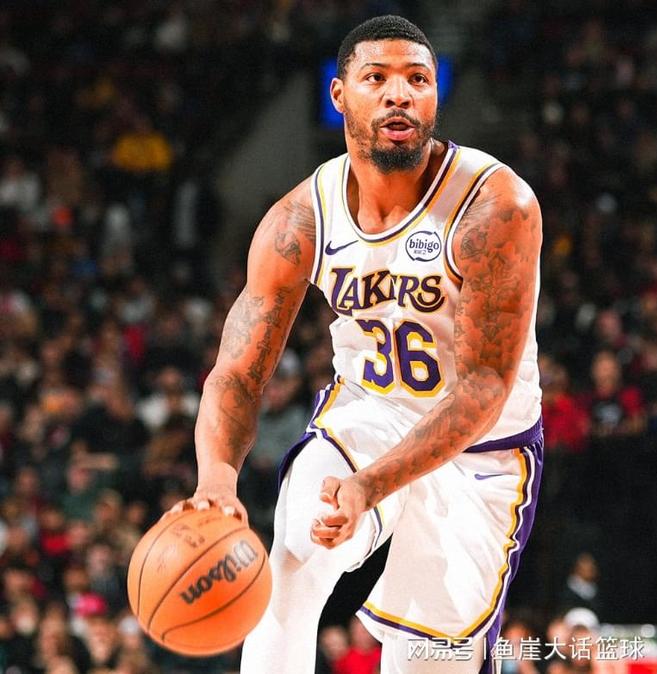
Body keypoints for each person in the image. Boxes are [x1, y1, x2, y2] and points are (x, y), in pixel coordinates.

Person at [171, 15, 543, 674]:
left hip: (480, 447)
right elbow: (236, 374)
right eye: (377, 78)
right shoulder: (301, 218)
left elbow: (484, 387)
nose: (400, 93)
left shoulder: (496, 205)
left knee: (423, 661)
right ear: (339, 94)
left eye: (418, 79)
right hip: (371, 411)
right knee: (293, 556)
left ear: (435, 96)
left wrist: (373, 485)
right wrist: (217, 480)